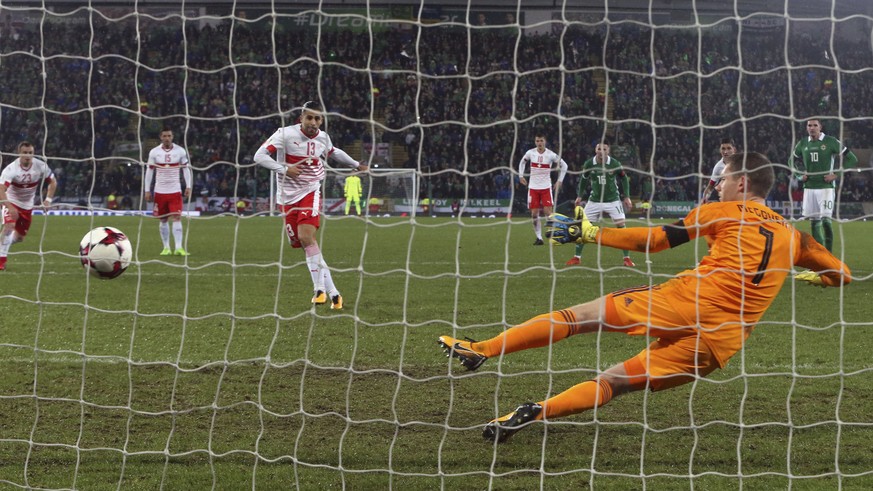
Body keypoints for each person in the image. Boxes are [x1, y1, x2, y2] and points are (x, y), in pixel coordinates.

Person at [438, 152, 851, 444]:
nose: (718, 184)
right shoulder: (795, 236)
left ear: (742, 183)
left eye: (724, 178)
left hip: (685, 300)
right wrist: (820, 279)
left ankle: (480, 350)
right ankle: (537, 410)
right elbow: (843, 274)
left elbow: (656, 241)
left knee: (576, 317)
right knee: (613, 382)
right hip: (719, 344)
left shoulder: (719, 210)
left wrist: (592, 233)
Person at [254, 100, 369, 310]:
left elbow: (334, 152)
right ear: (301, 118)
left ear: (321, 120)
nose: (313, 122)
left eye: (317, 118)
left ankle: (319, 290)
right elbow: (259, 156)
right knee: (303, 243)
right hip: (287, 197)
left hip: (310, 191)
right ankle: (334, 293)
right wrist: (283, 168)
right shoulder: (284, 134)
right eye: (309, 117)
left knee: (307, 236)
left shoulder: (323, 138)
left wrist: (355, 164)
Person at [791, 119, 858, 252]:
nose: (812, 128)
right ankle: (820, 258)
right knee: (815, 223)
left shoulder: (831, 141)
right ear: (806, 128)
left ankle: (829, 257)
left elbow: (852, 159)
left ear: (820, 127)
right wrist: (799, 175)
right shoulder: (803, 143)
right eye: (809, 125)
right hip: (809, 188)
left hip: (826, 188)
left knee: (826, 221)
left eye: (815, 125)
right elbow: (790, 161)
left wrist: (836, 174)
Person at [566, 141, 634, 267]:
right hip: (595, 200)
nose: (601, 151)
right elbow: (583, 180)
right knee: (582, 227)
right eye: (599, 148)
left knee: (621, 227)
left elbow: (624, 178)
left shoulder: (614, 164)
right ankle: (577, 257)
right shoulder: (589, 164)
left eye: (604, 149)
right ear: (595, 150)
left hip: (613, 200)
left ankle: (627, 258)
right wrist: (579, 196)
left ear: (608, 151)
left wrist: (627, 197)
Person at [0, 141, 57, 271]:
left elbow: (53, 182)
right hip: (11, 201)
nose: (28, 155)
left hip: (27, 205)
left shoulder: (40, 166)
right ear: (19, 153)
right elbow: (1, 189)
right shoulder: (11, 169)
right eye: (25, 153)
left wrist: (48, 200)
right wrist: (9, 206)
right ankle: (1, 260)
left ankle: (1, 245)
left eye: (30, 153)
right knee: (9, 226)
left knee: (19, 238)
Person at [144, 128, 193, 256]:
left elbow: (186, 169)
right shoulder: (154, 152)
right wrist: (147, 190)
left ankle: (178, 248)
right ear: (161, 137)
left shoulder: (180, 151)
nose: (167, 138)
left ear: (172, 137)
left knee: (177, 217)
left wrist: (188, 186)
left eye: (169, 136)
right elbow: (149, 171)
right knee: (163, 220)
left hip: (175, 190)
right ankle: (166, 247)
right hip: (160, 191)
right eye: (164, 136)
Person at [518, 131, 567, 245]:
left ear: (545, 141)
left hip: (546, 187)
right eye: (537, 141)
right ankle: (539, 238)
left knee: (548, 213)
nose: (539, 143)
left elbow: (564, 165)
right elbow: (522, 162)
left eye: (541, 140)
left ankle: (552, 233)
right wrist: (520, 176)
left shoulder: (550, 155)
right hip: (533, 188)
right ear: (535, 142)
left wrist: (560, 180)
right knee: (534, 214)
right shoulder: (530, 153)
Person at [700, 138, 737, 204]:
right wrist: (705, 198)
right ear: (720, 150)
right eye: (723, 149)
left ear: (734, 149)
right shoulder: (718, 167)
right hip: (729, 200)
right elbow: (710, 187)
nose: (725, 152)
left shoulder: (742, 162)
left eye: (729, 148)